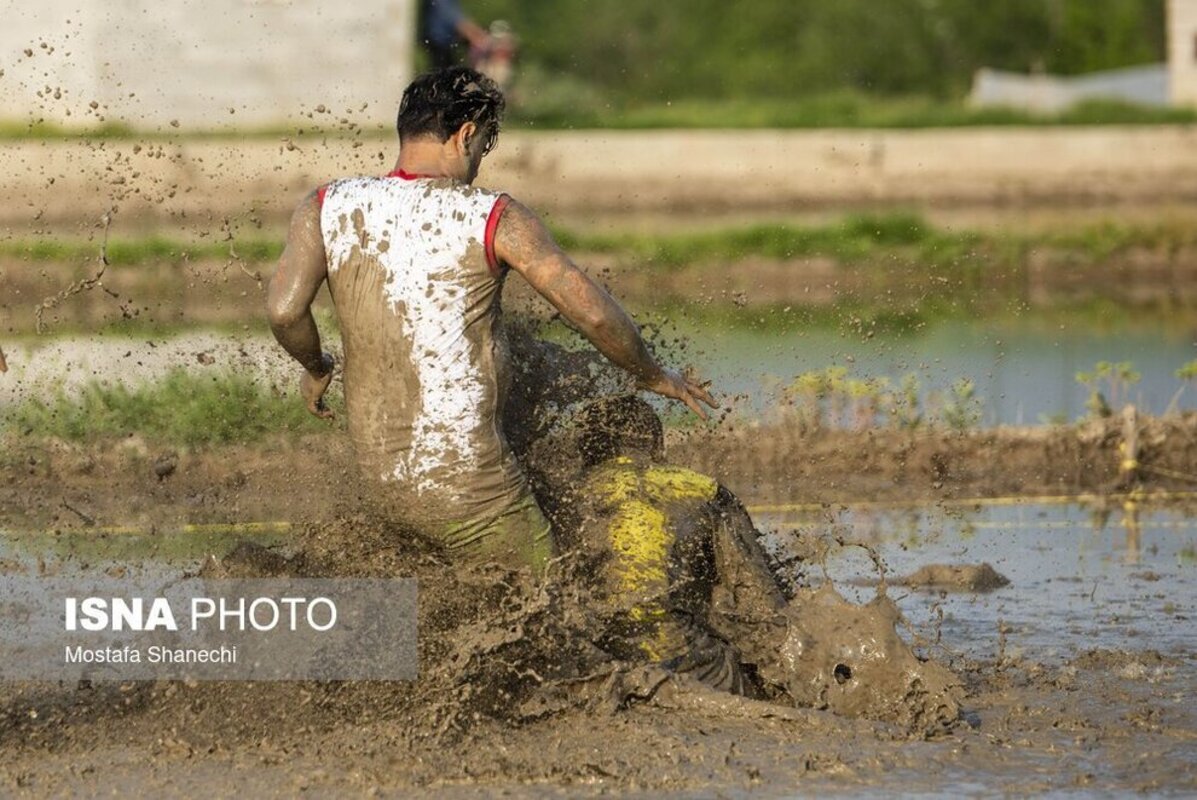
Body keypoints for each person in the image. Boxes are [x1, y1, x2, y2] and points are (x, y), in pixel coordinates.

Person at [266, 68, 717, 576]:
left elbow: (285, 311)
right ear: (466, 135)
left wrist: (316, 363)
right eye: (483, 147)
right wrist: (652, 374)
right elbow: (590, 311)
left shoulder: (327, 205)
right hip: (469, 485)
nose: (479, 164)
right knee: (557, 604)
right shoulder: (491, 215)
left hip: (383, 483)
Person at [566, 395, 790, 696]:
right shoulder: (703, 490)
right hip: (684, 664)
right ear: (657, 445)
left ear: (584, 451)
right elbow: (763, 608)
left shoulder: (564, 497)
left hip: (592, 666)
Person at [419, 0, 493, 70]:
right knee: (444, 72)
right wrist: (470, 30)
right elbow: (447, 12)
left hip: (444, 40)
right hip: (439, 40)